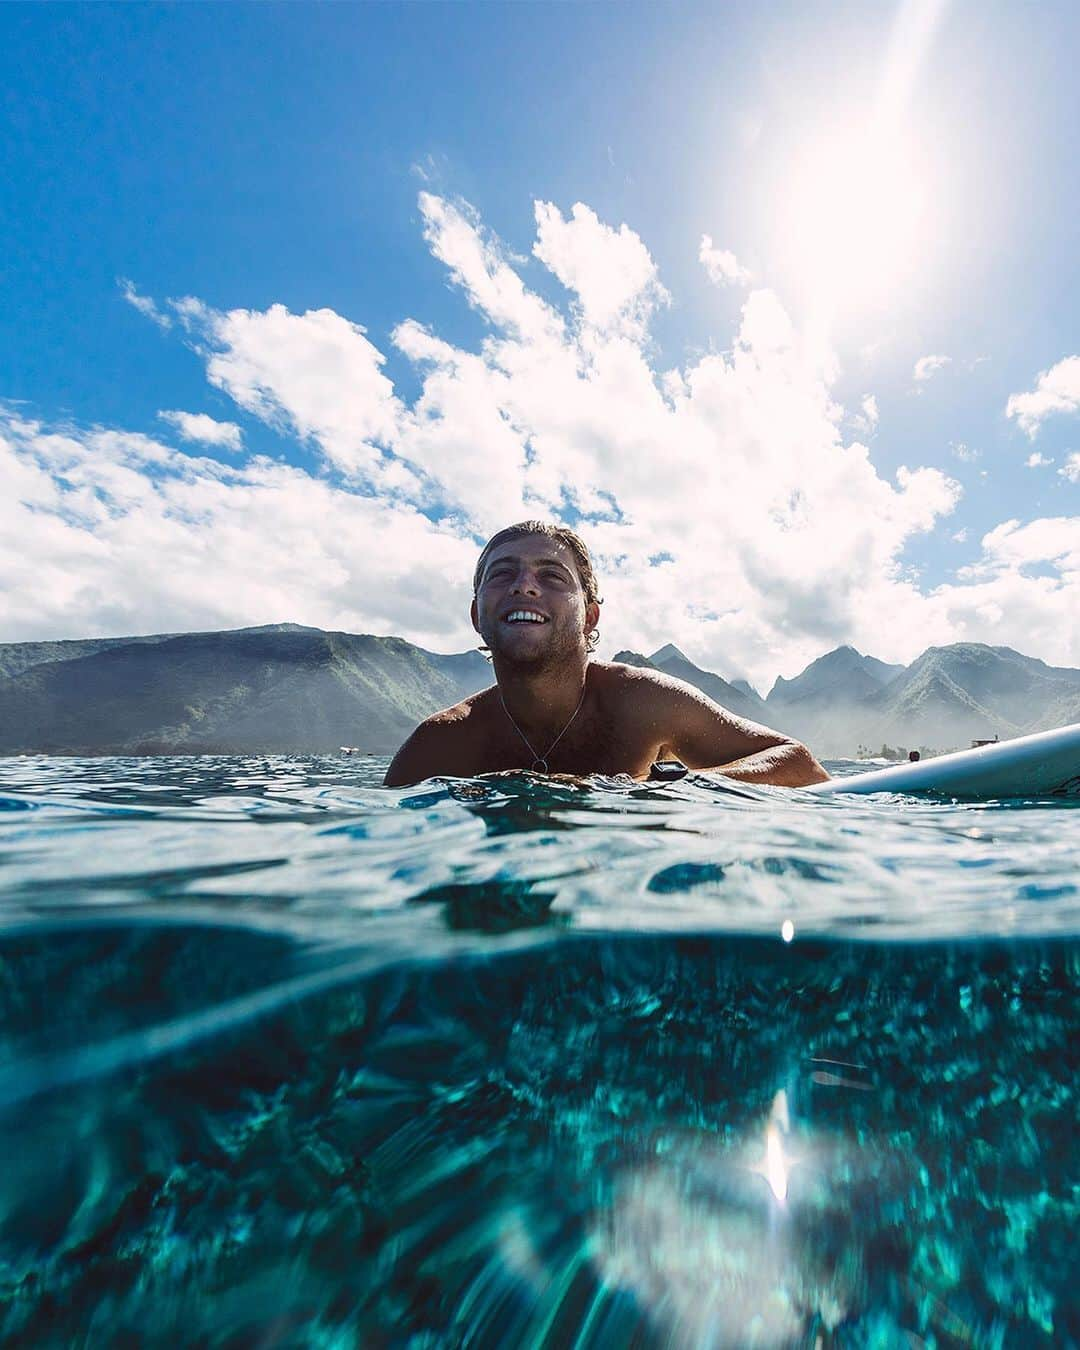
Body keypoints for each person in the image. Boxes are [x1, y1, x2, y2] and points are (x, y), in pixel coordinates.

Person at [384, 521, 829, 789]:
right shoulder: (440, 744)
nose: (524, 585)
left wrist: (678, 791)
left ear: (590, 618)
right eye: (503, 574)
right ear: (477, 615)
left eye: (552, 576)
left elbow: (797, 763)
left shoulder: (641, 704)